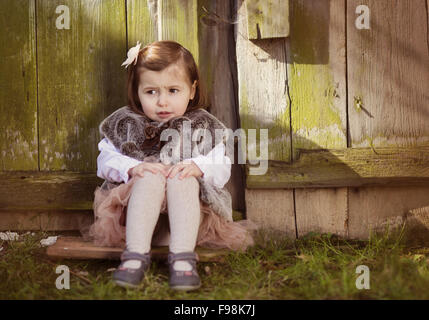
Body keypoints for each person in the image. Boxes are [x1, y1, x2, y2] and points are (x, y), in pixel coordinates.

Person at [87, 40, 256, 291]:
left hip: (187, 223)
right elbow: (105, 160)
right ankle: (135, 255)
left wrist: (198, 167)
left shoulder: (203, 126)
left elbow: (221, 165)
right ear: (137, 92)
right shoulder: (125, 123)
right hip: (134, 221)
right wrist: (132, 168)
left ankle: (183, 259)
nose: (162, 102)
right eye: (151, 92)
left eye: (173, 91)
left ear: (191, 89)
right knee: (150, 176)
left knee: (182, 177)